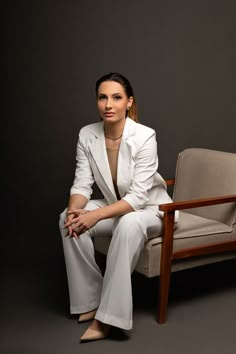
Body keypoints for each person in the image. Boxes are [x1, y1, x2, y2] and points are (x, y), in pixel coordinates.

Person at [59, 72, 174, 342]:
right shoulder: (87, 134)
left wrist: (95, 215)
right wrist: (77, 210)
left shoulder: (145, 136)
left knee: (129, 222)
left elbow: (136, 198)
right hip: (115, 205)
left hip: (152, 210)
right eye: (102, 97)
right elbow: (81, 185)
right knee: (67, 217)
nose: (108, 104)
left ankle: (108, 319)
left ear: (129, 102)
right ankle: (90, 301)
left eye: (116, 97)